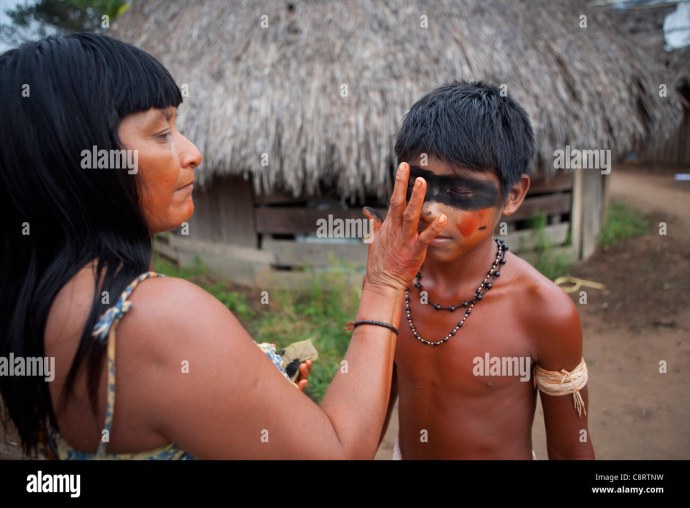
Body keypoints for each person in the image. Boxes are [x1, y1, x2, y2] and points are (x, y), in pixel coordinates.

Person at [0, 33, 446, 459]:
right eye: (161, 134)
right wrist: (385, 283)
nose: (192, 152)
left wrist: (255, 404)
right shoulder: (159, 321)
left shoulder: (41, 305)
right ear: (73, 164)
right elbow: (338, 453)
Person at [382, 82, 595, 459]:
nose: (430, 210)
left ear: (513, 195)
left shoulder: (544, 310)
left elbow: (570, 451)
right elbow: (369, 412)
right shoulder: (390, 287)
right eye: (420, 185)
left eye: (462, 192)